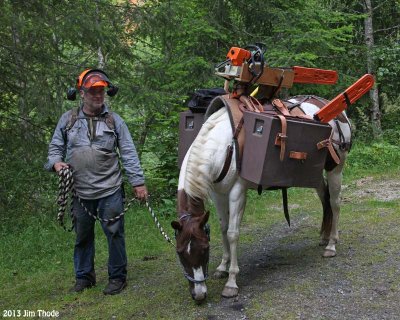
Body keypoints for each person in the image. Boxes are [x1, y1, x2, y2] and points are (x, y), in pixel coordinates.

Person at [45, 69, 148, 295]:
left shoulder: (115, 120)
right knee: (82, 236)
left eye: (101, 91)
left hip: (110, 189)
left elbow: (129, 153)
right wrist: (56, 163)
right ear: (81, 93)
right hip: (80, 191)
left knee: (115, 234)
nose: (98, 96)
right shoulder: (68, 119)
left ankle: (118, 277)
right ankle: (84, 277)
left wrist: (138, 183)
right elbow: (54, 148)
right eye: (93, 91)